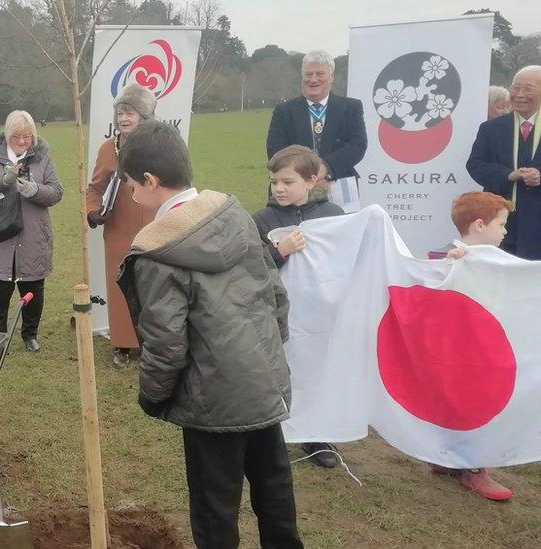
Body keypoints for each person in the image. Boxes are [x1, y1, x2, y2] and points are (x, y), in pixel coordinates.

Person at [116, 121, 302, 548]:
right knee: (274, 489)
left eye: (130, 184)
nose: (130, 194)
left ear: (150, 180)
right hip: (261, 382)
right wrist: (265, 358)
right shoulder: (236, 215)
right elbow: (277, 299)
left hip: (212, 401)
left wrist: (153, 395)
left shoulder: (159, 251)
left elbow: (165, 341)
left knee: (214, 507)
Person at [252, 145, 344, 468]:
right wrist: (280, 251)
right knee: (280, 369)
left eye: (288, 182)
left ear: (311, 180)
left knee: (316, 371)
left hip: (320, 314)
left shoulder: (333, 216)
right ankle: (273, 433)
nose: (278, 188)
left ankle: (315, 436)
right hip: (280, 314)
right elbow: (250, 267)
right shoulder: (262, 220)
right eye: (274, 181)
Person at [422, 191, 514, 501]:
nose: (505, 232)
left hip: (483, 346)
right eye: (501, 225)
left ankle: (454, 458)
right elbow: (428, 286)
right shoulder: (447, 256)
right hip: (458, 351)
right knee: (467, 402)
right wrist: (448, 267)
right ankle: (471, 467)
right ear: (478, 225)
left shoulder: (498, 260)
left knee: (470, 400)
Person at [0, 110, 63, 351]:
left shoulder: (43, 159)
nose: (22, 142)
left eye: (27, 137)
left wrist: (33, 190)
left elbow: (56, 191)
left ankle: (30, 334)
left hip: (33, 237)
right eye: (16, 137)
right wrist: (5, 178)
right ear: (7, 135)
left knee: (33, 289)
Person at [85, 82, 157, 367]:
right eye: (121, 112)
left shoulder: (159, 145)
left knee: (154, 286)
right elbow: (94, 189)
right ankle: (123, 344)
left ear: (144, 116)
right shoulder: (108, 149)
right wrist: (93, 212)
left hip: (154, 227)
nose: (124, 118)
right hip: (118, 229)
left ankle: (154, 344)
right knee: (120, 286)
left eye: (130, 112)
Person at [266, 50, 367, 203]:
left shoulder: (351, 107)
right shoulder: (284, 111)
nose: (313, 79)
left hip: (340, 183)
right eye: (308, 74)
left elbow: (357, 145)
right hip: (294, 189)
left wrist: (325, 169)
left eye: (320, 74)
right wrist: (307, 178)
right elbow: (276, 150)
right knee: (294, 228)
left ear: (331, 77)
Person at [467, 65, 541, 259]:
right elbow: (475, 165)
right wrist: (508, 174)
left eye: (528, 89)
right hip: (500, 224)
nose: (519, 94)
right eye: (515, 88)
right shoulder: (491, 129)